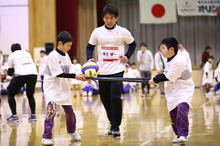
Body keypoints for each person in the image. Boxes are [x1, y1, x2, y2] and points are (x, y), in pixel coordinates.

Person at [86, 4, 136, 137]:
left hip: (117, 69)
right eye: (106, 18)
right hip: (101, 71)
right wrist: (89, 58)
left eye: (112, 18)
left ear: (116, 18)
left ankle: (116, 126)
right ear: (103, 18)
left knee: (115, 97)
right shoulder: (97, 32)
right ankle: (112, 121)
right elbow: (89, 47)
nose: (109, 20)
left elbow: (133, 44)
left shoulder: (123, 31)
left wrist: (127, 56)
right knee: (105, 98)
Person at [41, 31, 85, 145]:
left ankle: (72, 131)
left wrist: (81, 76)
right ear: (60, 43)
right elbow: (58, 74)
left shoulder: (66, 55)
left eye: (70, 46)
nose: (69, 48)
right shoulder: (52, 56)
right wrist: (75, 76)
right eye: (68, 46)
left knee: (70, 112)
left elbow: (70, 72)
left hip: (63, 88)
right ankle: (46, 137)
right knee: (51, 111)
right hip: (52, 88)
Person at [149, 37, 195, 144]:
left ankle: (183, 135)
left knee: (181, 109)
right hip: (172, 91)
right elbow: (166, 75)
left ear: (171, 50)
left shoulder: (178, 61)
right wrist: (156, 78)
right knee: (173, 116)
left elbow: (168, 76)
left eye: (163, 48)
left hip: (184, 89)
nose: (161, 51)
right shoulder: (168, 60)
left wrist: (155, 79)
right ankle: (179, 135)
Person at [6, 43, 38, 121]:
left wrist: (9, 76)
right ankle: (33, 115)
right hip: (33, 74)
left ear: (12, 50)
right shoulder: (27, 53)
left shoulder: (12, 55)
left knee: (10, 93)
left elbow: (10, 72)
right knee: (30, 95)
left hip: (20, 75)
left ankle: (14, 116)